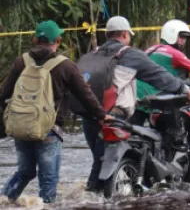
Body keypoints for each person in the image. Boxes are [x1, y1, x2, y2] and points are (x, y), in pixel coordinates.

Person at [82, 16, 190, 192]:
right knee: (103, 164)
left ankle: (92, 197)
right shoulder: (129, 54)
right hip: (113, 116)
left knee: (99, 162)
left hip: (89, 115)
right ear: (124, 34)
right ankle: (98, 199)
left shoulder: (93, 54)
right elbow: (159, 76)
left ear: (107, 34)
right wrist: (186, 91)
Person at [0, 20, 111, 203]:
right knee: (48, 178)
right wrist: (102, 115)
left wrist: (11, 119)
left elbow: (4, 94)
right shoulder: (65, 66)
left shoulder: (21, 62)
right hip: (49, 130)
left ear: (35, 40)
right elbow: (85, 95)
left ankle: (5, 200)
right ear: (58, 41)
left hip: (21, 127)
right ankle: (46, 206)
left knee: (24, 171)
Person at [129, 19, 190, 126]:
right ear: (171, 35)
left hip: (137, 97)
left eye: (185, 38)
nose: (183, 41)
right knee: (174, 133)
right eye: (181, 37)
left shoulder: (151, 49)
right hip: (157, 99)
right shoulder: (174, 54)